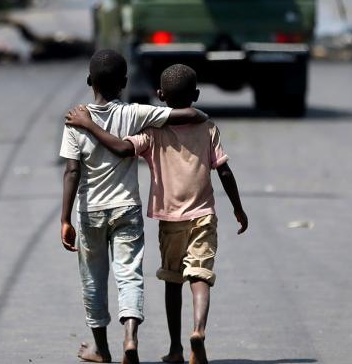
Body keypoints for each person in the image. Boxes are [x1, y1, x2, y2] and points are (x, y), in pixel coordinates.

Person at [66, 63, 248, 364]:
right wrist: (238, 208)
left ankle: (176, 348)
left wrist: (89, 125)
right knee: (200, 275)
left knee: (172, 279)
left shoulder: (152, 131)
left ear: (160, 95)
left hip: (169, 220)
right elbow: (224, 171)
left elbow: (123, 149)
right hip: (203, 215)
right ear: (197, 94)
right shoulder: (207, 127)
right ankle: (198, 331)